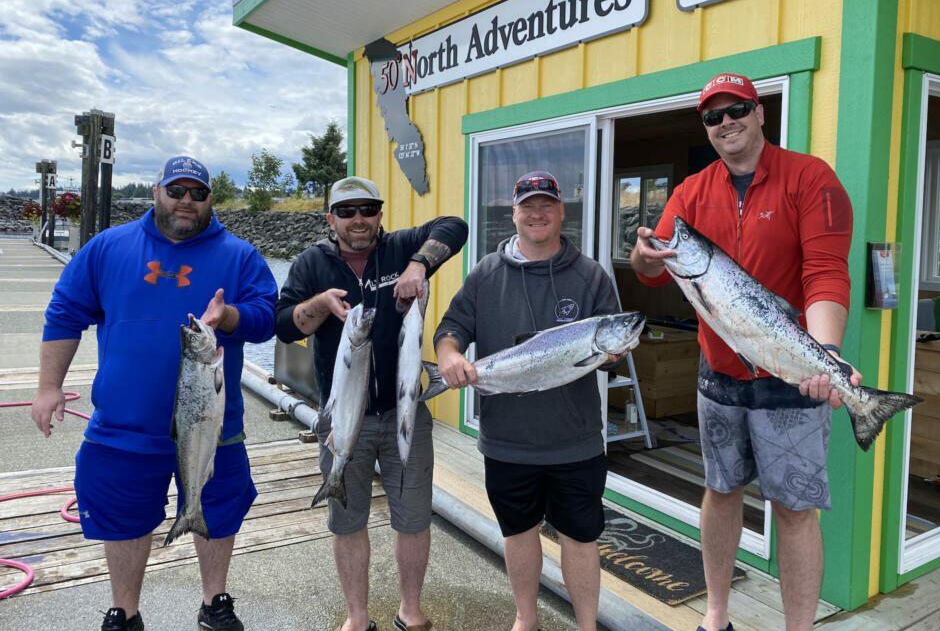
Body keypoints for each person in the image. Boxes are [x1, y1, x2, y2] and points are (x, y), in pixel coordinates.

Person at [629, 73, 858, 631]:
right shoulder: (690, 193)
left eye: (736, 110)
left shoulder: (810, 178)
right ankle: (715, 615)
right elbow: (653, 270)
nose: (725, 122)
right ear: (706, 129)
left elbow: (826, 274)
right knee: (720, 490)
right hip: (720, 376)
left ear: (760, 115)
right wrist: (644, 257)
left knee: (795, 510)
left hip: (791, 376)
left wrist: (826, 354)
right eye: (713, 116)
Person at [31, 156, 278, 631]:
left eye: (198, 193)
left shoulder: (239, 254)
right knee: (123, 519)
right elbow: (64, 314)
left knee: (218, 511)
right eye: (177, 190)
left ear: (210, 200)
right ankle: (125, 611)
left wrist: (230, 320)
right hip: (124, 425)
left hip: (213, 427)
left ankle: (214, 602)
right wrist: (48, 387)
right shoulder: (108, 248)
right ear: (156, 192)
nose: (187, 201)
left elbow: (267, 317)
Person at [274, 175, 467, 631]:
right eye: (346, 211)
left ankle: (410, 610)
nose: (358, 219)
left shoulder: (401, 247)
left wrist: (419, 265)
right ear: (330, 218)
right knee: (346, 520)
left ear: (379, 214)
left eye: (367, 209)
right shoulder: (310, 264)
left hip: (405, 414)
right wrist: (320, 303)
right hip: (342, 418)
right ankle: (357, 618)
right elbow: (283, 326)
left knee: (414, 517)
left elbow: (454, 225)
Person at [434, 171, 620, 631]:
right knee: (517, 533)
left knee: (581, 537)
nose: (537, 214)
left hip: (576, 441)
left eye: (547, 205)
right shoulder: (485, 274)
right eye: (528, 206)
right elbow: (449, 331)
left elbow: (612, 340)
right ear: (513, 214)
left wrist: (614, 353)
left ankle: (586, 626)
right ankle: (525, 619)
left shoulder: (591, 275)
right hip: (507, 442)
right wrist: (450, 357)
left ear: (561, 212)